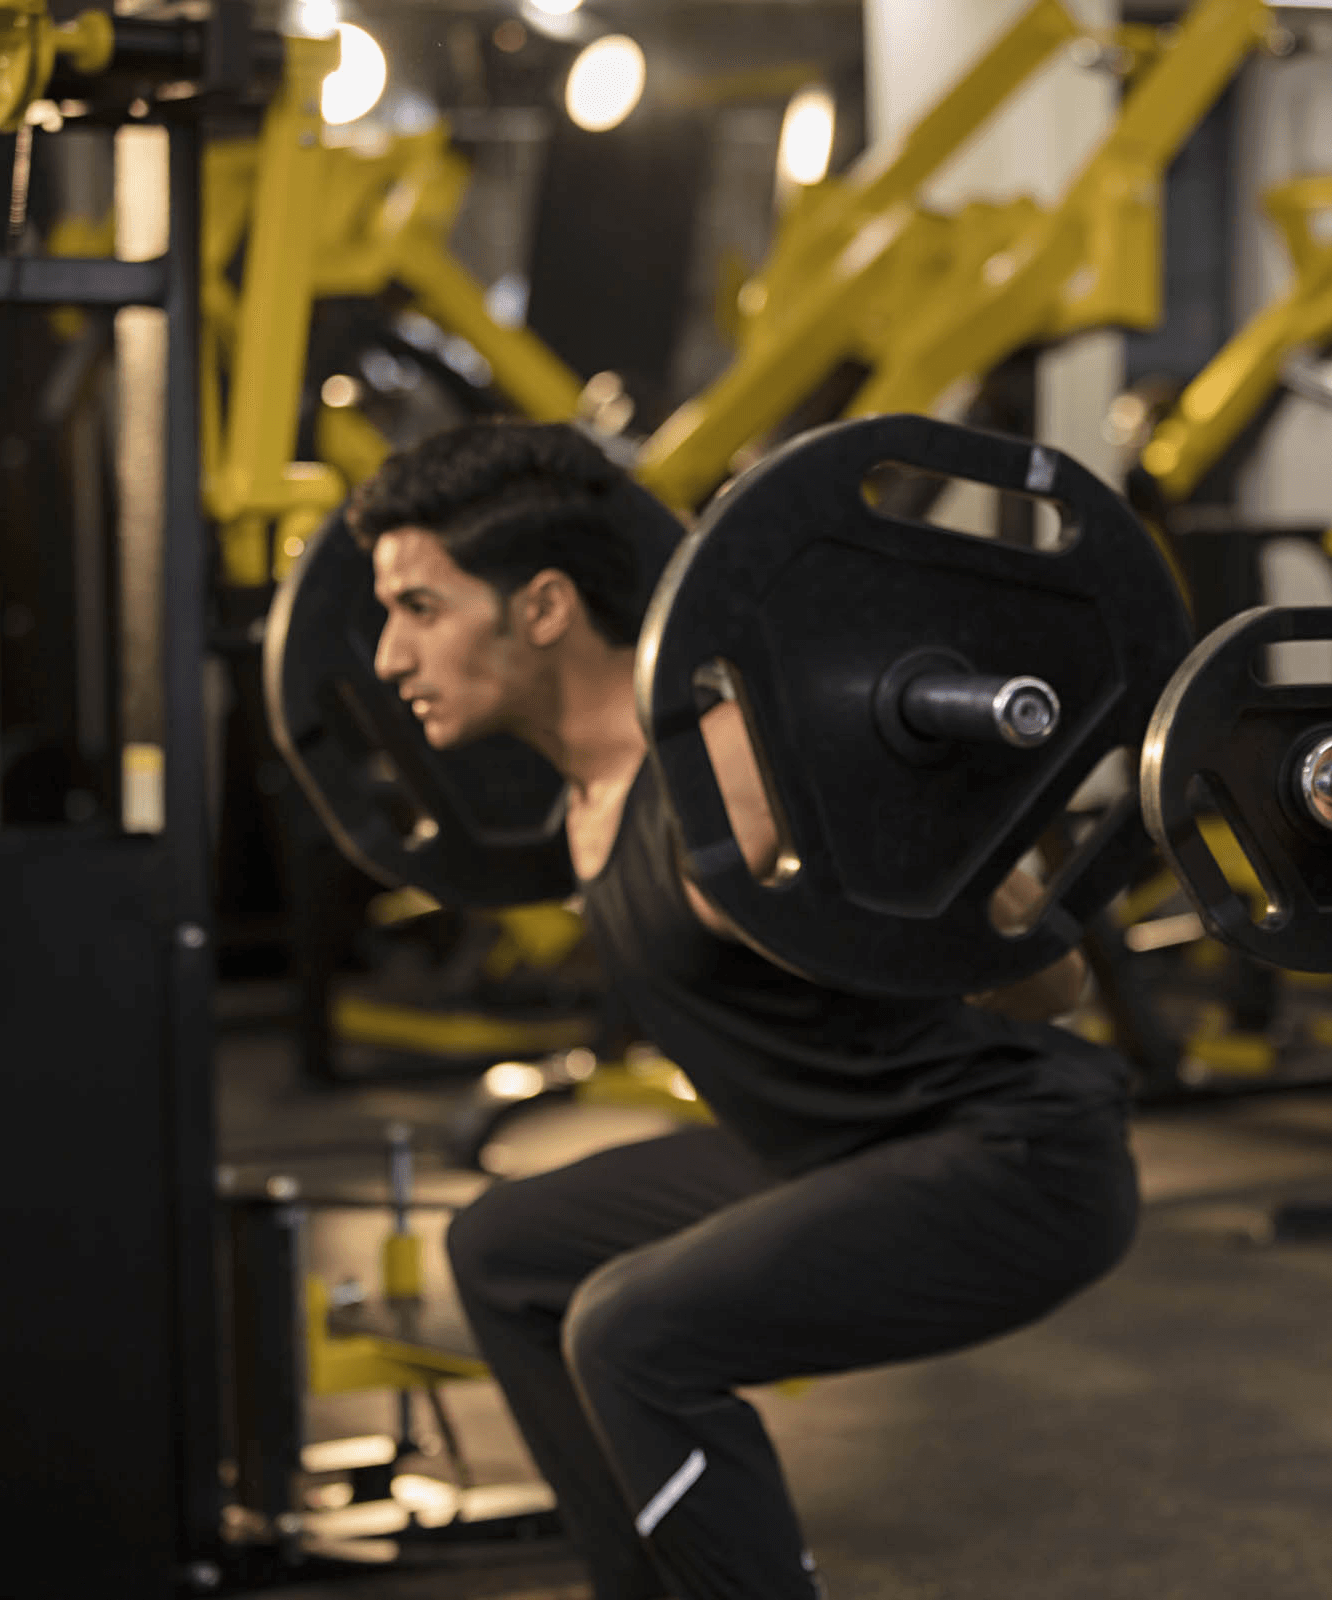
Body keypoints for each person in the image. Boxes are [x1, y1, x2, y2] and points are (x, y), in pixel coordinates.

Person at [353, 421, 1140, 1600]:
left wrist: (926, 836)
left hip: (1015, 1162)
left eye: (419, 606)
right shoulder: (590, 792)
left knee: (633, 1331)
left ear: (546, 607)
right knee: (505, 1249)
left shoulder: (741, 773)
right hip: (825, 1151)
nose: (384, 655)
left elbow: (1054, 983)